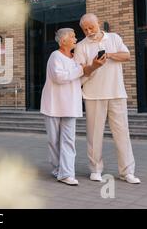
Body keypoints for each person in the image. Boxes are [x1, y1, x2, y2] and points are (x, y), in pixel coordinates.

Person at [74, 13, 141, 184]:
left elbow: (127, 56)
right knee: (94, 136)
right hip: (93, 95)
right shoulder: (81, 46)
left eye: (92, 27)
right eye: (85, 29)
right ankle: (95, 169)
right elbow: (81, 72)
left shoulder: (114, 38)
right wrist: (94, 66)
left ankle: (127, 172)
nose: (89, 31)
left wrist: (109, 55)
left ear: (98, 24)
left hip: (117, 93)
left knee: (122, 134)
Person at [40, 28, 84, 186]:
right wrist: (80, 70)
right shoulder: (55, 56)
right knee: (54, 140)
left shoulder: (76, 59)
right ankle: (58, 168)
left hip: (71, 105)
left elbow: (79, 78)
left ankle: (66, 173)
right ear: (63, 40)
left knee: (69, 140)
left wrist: (84, 70)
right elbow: (59, 77)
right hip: (53, 104)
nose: (75, 39)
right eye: (72, 36)